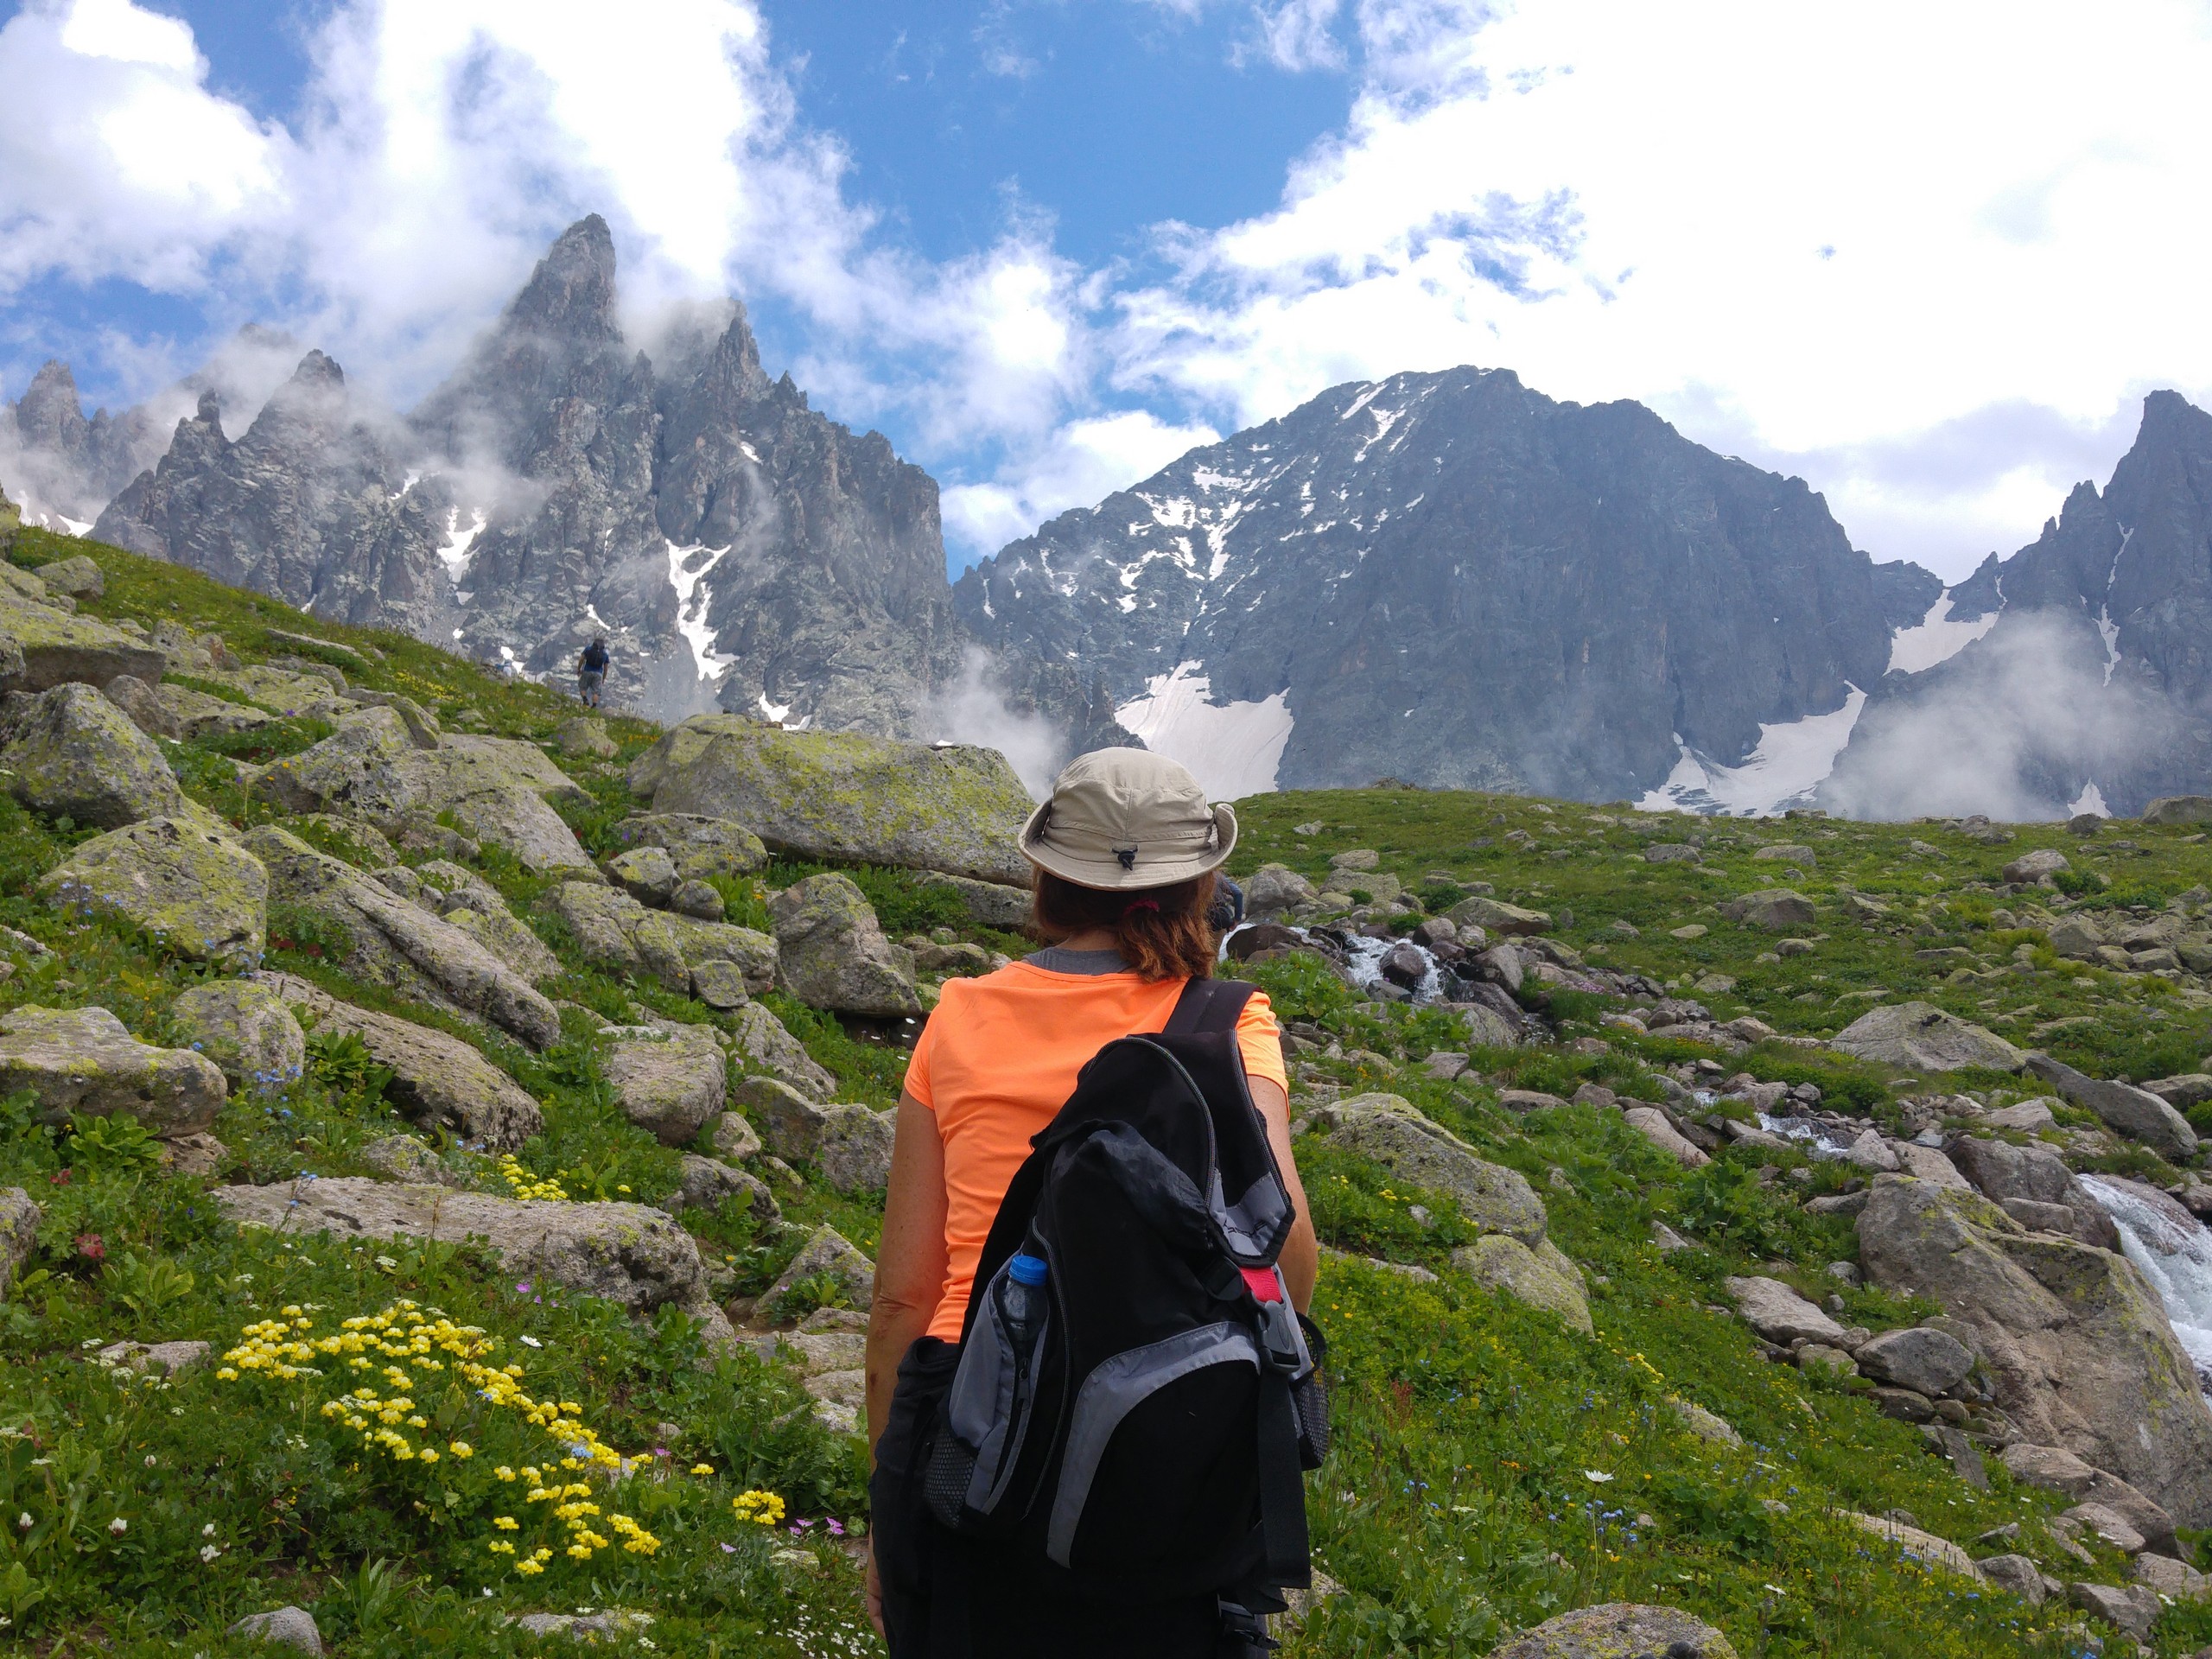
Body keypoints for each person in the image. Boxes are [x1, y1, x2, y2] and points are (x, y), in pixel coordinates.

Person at [865, 748, 1319, 1658]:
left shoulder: (959, 1012)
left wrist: (890, 1505)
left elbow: (902, 1298)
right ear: (1200, 882)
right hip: (1162, 1425)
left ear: (1049, 877)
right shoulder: (1229, 1019)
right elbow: (1288, 1255)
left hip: (968, 1415)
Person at [576, 635, 609, 707]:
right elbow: (606, 668)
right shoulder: (605, 654)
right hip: (598, 674)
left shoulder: (588, 649)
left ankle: (585, 700)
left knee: (582, 687)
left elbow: (582, 659)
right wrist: (603, 678)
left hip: (587, 671)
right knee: (596, 692)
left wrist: (579, 669)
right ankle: (594, 706)